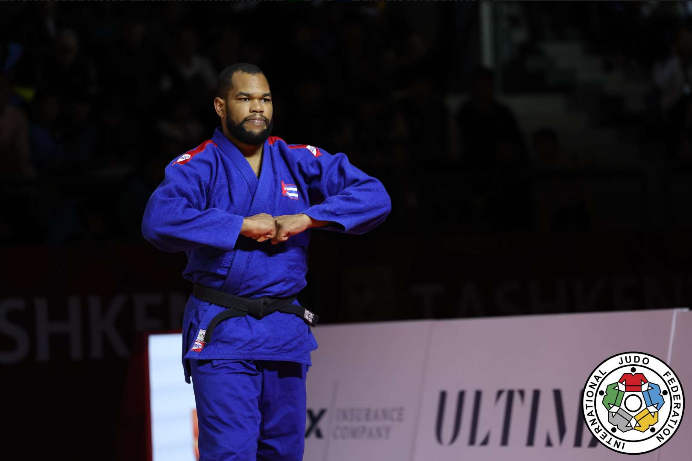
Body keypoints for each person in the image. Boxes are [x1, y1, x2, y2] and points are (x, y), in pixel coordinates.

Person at [141, 63, 391, 460]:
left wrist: (309, 217)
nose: (257, 107)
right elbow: (158, 221)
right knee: (230, 454)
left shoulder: (295, 158)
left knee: (283, 454)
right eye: (244, 98)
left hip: (283, 331)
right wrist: (239, 225)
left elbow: (375, 195)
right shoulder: (199, 164)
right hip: (223, 332)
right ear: (221, 107)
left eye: (265, 98)